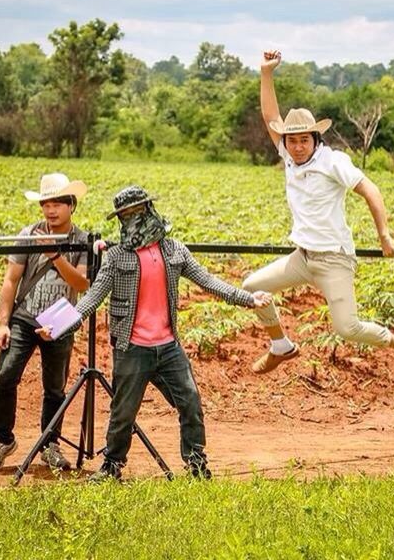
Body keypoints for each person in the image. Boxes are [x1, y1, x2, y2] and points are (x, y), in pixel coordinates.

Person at [38, 186, 272, 480]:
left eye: (136, 212)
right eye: (125, 215)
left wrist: (249, 299)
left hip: (168, 346)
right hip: (132, 347)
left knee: (190, 404)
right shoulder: (117, 257)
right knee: (123, 413)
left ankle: (196, 464)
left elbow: (209, 281)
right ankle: (112, 467)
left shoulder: (174, 250)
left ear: (149, 211)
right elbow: (91, 299)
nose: (132, 218)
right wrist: (58, 326)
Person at [243, 49, 394, 378]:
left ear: (316, 139)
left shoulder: (332, 162)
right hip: (302, 258)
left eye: (305, 140)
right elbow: (269, 115)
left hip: (334, 260)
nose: (298, 146)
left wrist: (384, 236)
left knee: (348, 328)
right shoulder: (289, 156)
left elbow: (370, 190)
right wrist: (266, 72)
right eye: (293, 141)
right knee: (251, 288)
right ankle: (280, 346)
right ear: (286, 143)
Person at [0, 173, 90, 472]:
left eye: (57, 204)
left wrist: (55, 255)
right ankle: (2, 439)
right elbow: (10, 280)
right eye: (46, 204)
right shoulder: (28, 234)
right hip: (25, 318)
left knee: (55, 387)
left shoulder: (82, 240)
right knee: (5, 376)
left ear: (71, 205)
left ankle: (50, 444)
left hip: (61, 321)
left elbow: (81, 283)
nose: (50, 210)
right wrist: (3, 323)